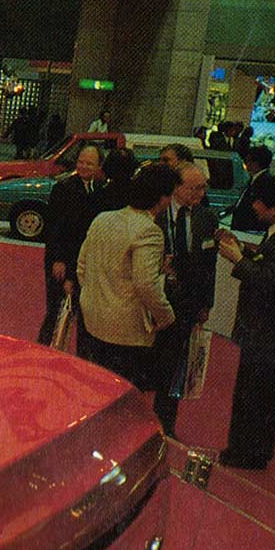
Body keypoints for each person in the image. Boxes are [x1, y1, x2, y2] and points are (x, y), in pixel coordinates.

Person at [215, 178, 275, 470]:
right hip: (268, 330)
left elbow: (268, 280)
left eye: (258, 201)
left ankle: (248, 452)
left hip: (269, 330)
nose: (254, 206)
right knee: (257, 392)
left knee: (256, 394)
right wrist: (242, 252)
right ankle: (248, 450)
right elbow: (267, 265)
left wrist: (237, 259)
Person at [76, 163, 179, 389]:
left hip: (93, 319)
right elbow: (146, 284)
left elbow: (82, 266)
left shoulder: (103, 218)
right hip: (126, 330)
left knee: (96, 389)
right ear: (162, 198)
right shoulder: (149, 231)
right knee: (122, 394)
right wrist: (165, 316)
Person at [152, 162, 219, 435]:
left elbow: (210, 265)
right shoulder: (156, 213)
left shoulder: (207, 218)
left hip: (187, 302)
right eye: (195, 188)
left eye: (203, 188)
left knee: (174, 367)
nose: (200, 194)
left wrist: (206, 303)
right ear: (177, 187)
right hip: (154, 299)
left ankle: (165, 425)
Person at [36, 144, 105, 345]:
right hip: (61, 261)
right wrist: (58, 260)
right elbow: (54, 228)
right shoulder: (63, 188)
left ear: (98, 166)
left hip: (83, 262)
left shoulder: (99, 189)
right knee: (55, 311)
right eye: (81, 162)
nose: (84, 166)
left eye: (89, 163)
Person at [229, 144, 274, 231]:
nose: (246, 164)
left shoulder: (264, 182)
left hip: (249, 228)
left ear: (255, 163)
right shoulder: (255, 179)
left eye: (247, 161)